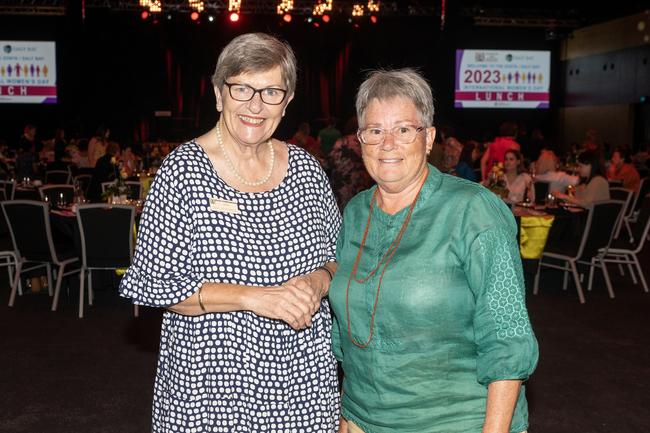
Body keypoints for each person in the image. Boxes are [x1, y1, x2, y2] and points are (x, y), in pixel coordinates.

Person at [119, 33, 341, 432]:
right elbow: (154, 284)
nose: (256, 105)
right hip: (209, 390)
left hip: (303, 385)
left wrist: (318, 279)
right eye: (242, 88)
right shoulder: (182, 172)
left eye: (271, 91)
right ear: (220, 93)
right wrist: (253, 298)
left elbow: (335, 257)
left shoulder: (309, 171)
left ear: (287, 101)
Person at [330, 68, 538, 433]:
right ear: (361, 140)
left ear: (428, 139)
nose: (387, 143)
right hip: (365, 420)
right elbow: (351, 334)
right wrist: (349, 414)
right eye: (375, 131)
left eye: (404, 129)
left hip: (457, 422)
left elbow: (507, 339)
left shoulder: (475, 211)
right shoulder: (356, 211)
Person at [329, 116, 373, 208]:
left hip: (343, 185)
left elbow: (331, 162)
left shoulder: (342, 142)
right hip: (362, 184)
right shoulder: (367, 142)